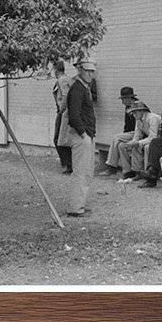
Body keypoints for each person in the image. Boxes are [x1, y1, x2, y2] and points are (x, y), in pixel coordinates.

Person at [65, 58, 97, 216]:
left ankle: (80, 204)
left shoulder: (84, 88)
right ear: (79, 70)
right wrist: (84, 135)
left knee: (87, 172)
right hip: (81, 136)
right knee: (80, 172)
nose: (91, 74)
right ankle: (75, 209)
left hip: (87, 135)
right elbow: (74, 116)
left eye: (92, 71)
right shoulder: (77, 89)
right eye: (88, 71)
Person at [117, 101, 161, 181]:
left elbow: (153, 137)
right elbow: (137, 134)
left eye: (135, 112)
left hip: (160, 139)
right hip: (151, 138)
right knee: (122, 145)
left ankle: (148, 173)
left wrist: (137, 143)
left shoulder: (152, 118)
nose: (133, 115)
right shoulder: (138, 120)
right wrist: (132, 143)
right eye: (133, 113)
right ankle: (130, 171)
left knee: (146, 147)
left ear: (142, 111)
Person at [101, 85, 139, 175]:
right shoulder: (128, 107)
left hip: (138, 133)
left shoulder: (137, 106)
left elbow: (140, 126)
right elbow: (127, 126)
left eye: (123, 99)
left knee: (115, 138)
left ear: (129, 98)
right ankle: (127, 171)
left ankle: (111, 166)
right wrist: (124, 137)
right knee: (120, 145)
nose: (122, 102)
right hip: (130, 134)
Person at [51, 63, 73, 174]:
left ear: (56, 70)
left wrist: (61, 110)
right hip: (66, 112)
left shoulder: (62, 80)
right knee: (63, 138)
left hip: (64, 112)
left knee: (58, 139)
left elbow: (65, 95)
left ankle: (67, 165)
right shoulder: (68, 79)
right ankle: (68, 164)